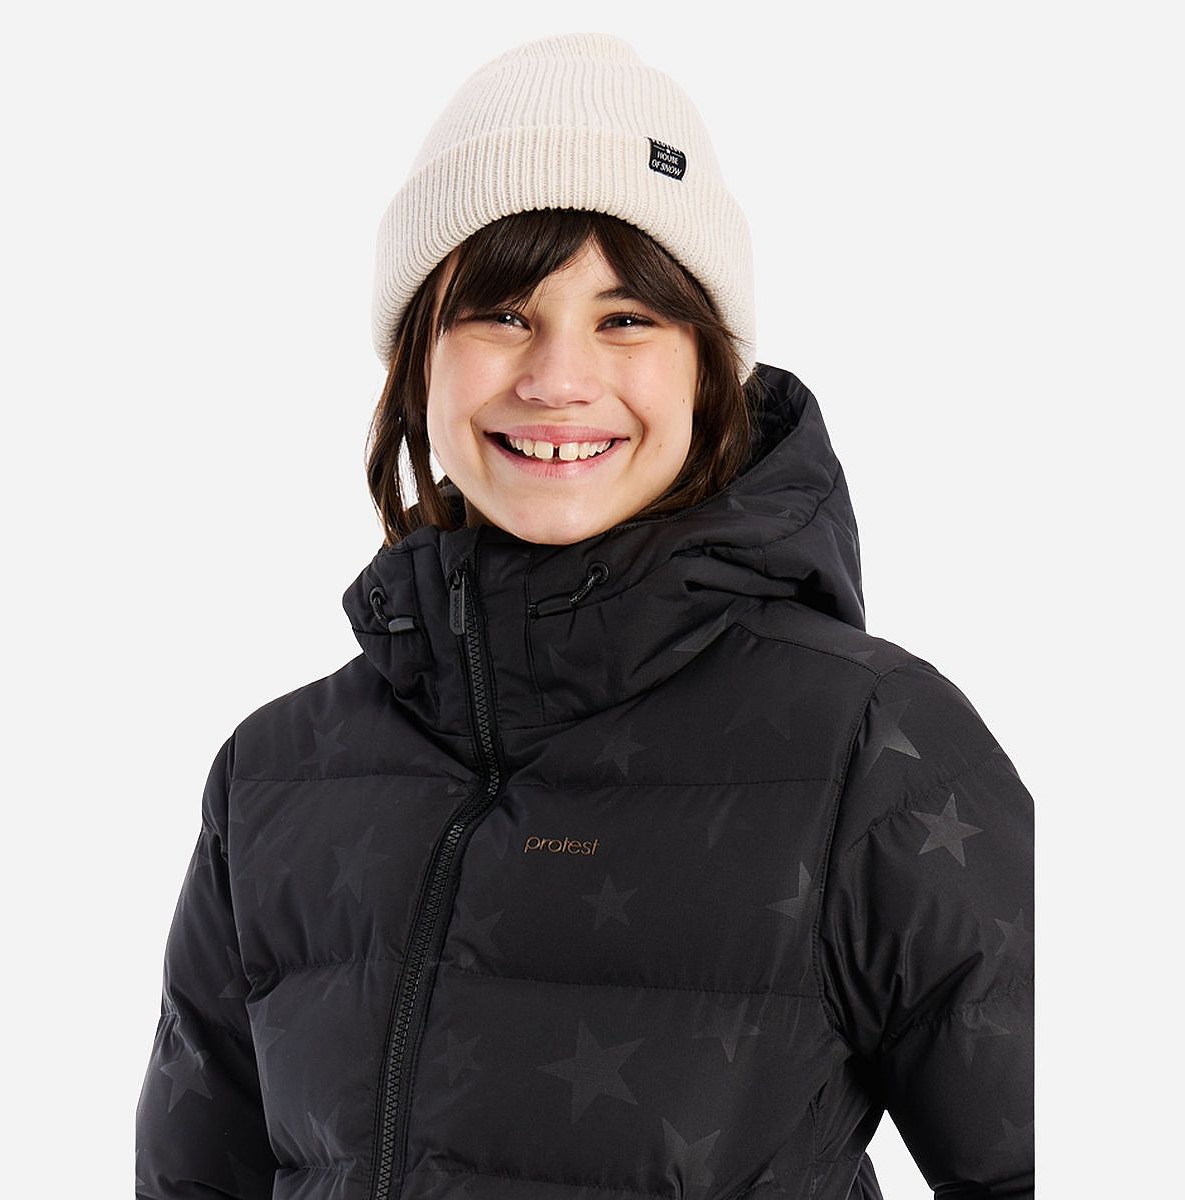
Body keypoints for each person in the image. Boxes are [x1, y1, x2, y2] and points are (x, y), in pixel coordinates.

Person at [135, 31, 1034, 1200]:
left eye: (627, 319)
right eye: (502, 314)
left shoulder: (870, 746)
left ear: (710, 366)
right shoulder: (274, 776)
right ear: (416, 362)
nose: (557, 380)